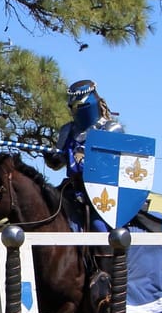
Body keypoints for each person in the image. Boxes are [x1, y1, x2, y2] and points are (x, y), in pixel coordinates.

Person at [44, 79, 124, 233]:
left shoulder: (110, 129)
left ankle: (115, 256)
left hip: (101, 192)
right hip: (72, 189)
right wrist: (51, 156)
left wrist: (86, 159)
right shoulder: (67, 130)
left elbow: (111, 165)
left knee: (99, 227)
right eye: (72, 107)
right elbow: (57, 163)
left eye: (79, 106)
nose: (75, 110)